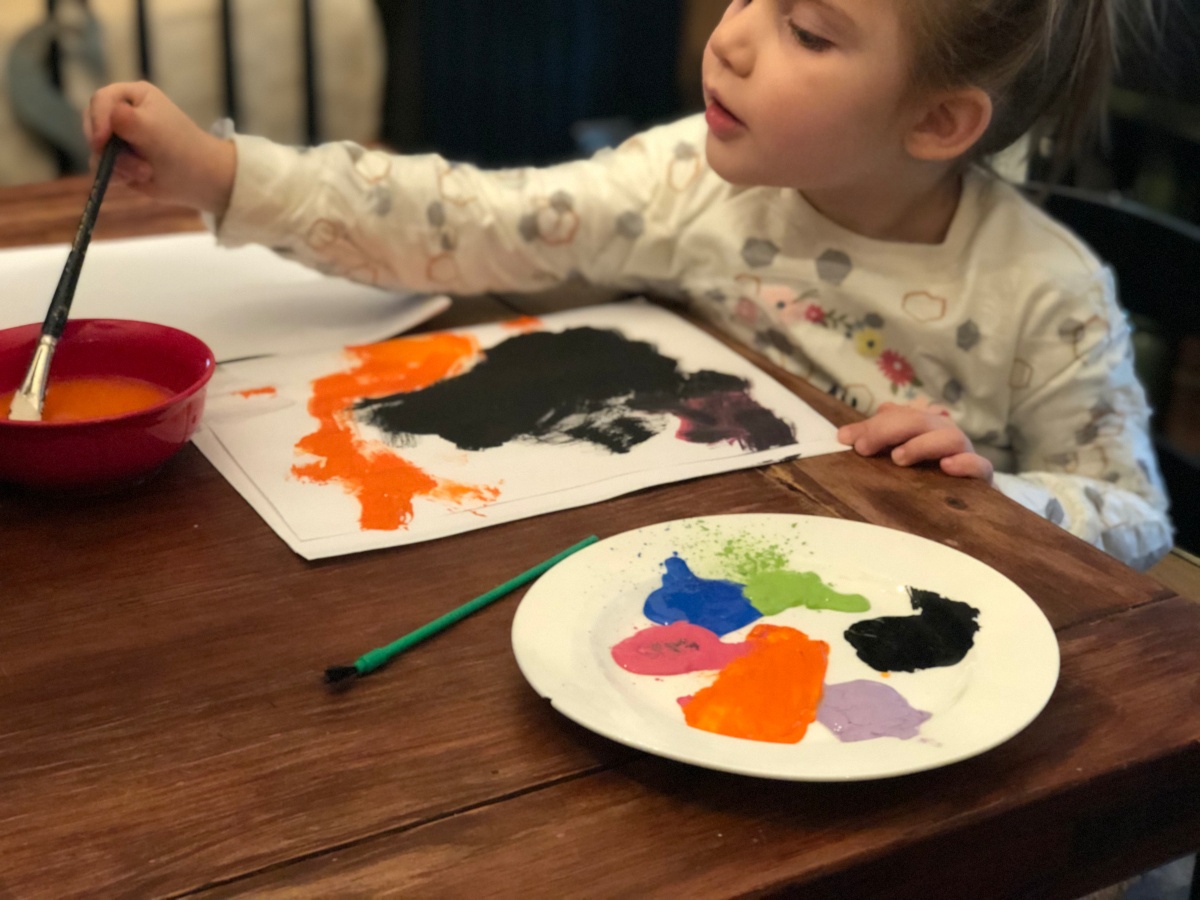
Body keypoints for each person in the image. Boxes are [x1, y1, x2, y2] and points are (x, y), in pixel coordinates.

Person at [84, 0, 1173, 570]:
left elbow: (1136, 516)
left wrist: (1000, 498)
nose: (733, 40)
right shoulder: (687, 179)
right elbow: (466, 226)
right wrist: (220, 172)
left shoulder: (1048, 293)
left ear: (939, 121)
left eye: (807, 30)